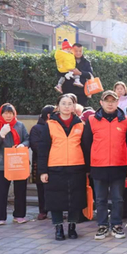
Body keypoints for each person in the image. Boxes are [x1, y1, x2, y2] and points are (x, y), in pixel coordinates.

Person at [37, 94, 88, 240]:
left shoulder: (80, 125)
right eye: (63, 103)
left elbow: (86, 148)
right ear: (58, 106)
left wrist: (88, 169)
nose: (66, 106)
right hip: (55, 167)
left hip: (76, 167)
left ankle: (72, 227)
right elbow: (43, 149)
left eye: (69, 103)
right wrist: (43, 171)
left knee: (75, 199)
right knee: (55, 200)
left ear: (74, 106)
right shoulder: (50, 125)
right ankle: (58, 228)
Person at [81, 91, 127, 240]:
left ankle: (116, 225)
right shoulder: (91, 120)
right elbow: (86, 144)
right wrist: (88, 167)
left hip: (118, 164)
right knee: (100, 199)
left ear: (117, 103)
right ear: (101, 103)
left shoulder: (126, 121)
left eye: (113, 101)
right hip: (98, 165)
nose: (110, 103)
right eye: (107, 101)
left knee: (118, 198)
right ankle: (102, 225)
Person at [0, 103, 30, 225]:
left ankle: (19, 215)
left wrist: (23, 145)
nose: (8, 116)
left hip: (18, 163)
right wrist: (1, 134)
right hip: (1, 165)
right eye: (5, 113)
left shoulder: (20, 125)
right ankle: (1, 217)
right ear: (1, 114)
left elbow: (27, 139)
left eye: (11, 113)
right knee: (1, 192)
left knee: (20, 191)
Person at [30, 105, 55, 221]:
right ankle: (43, 211)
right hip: (40, 161)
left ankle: (56, 210)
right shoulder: (36, 128)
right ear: (49, 115)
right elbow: (35, 145)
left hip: (55, 161)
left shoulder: (56, 126)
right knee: (41, 188)